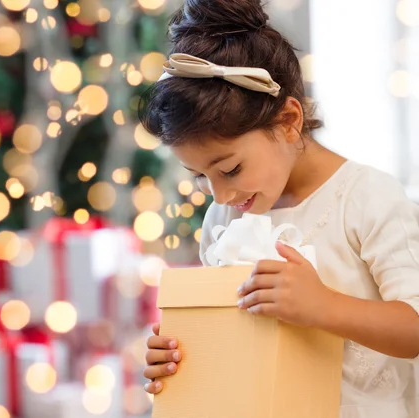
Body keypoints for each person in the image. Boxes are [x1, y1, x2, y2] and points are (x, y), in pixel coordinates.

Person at [139, 0, 419, 417]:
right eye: (199, 176)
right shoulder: (226, 218)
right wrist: (182, 351)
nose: (218, 195)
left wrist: (324, 306)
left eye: (230, 169)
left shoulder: (368, 199)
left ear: (289, 120)